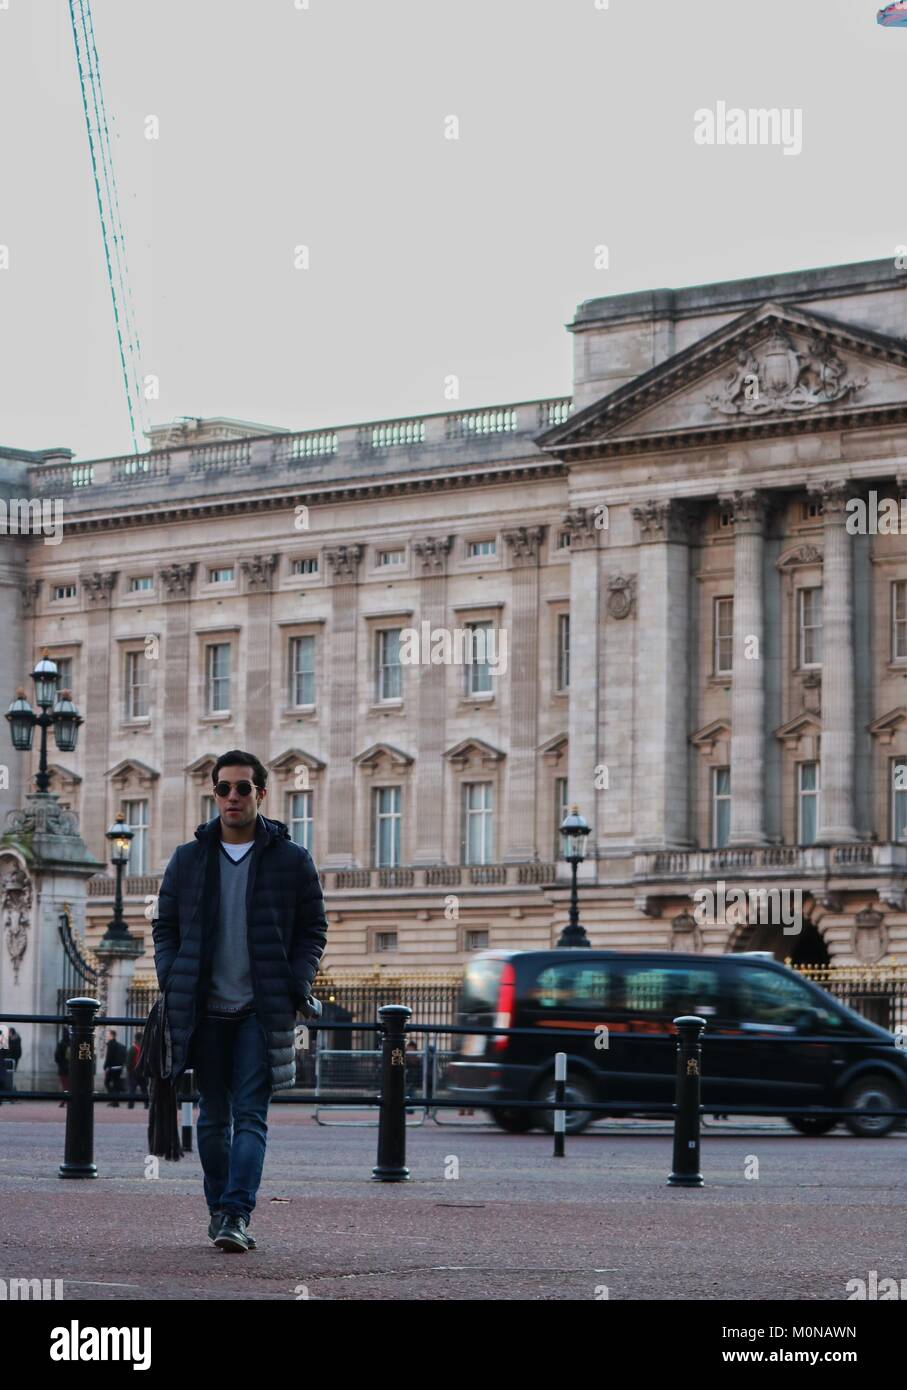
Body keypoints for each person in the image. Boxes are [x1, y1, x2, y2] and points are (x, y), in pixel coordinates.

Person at [152, 749, 328, 1253]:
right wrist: (171, 975)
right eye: (224, 788)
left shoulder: (292, 859)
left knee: (250, 1115)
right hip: (203, 1010)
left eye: (243, 788)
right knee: (211, 1115)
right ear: (214, 795)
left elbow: (313, 928)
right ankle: (218, 1206)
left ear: (261, 795)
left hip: (261, 1009)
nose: (233, 796)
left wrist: (297, 982)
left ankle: (235, 1214)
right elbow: (164, 927)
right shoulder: (188, 859)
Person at [127, 1030, 149, 1110]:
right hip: (142, 1072)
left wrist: (130, 1070)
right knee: (144, 1090)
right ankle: (146, 1104)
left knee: (132, 1090)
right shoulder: (144, 1048)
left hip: (133, 1072)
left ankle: (131, 1105)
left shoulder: (133, 1048)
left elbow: (128, 1062)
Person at [104, 1029, 127, 1105]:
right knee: (116, 1084)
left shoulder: (110, 1044)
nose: (107, 1036)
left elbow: (109, 1056)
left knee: (107, 1083)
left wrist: (105, 1067)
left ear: (111, 1035)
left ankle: (113, 1099)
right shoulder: (118, 1044)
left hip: (112, 1068)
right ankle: (115, 1101)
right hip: (119, 1067)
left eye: (108, 1034)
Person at [55, 1026, 70, 1106]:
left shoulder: (61, 1044)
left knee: (65, 1085)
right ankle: (66, 1100)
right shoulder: (72, 1043)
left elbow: (57, 1057)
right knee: (69, 1085)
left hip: (63, 1067)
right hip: (72, 1067)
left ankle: (65, 1100)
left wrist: (60, 1063)